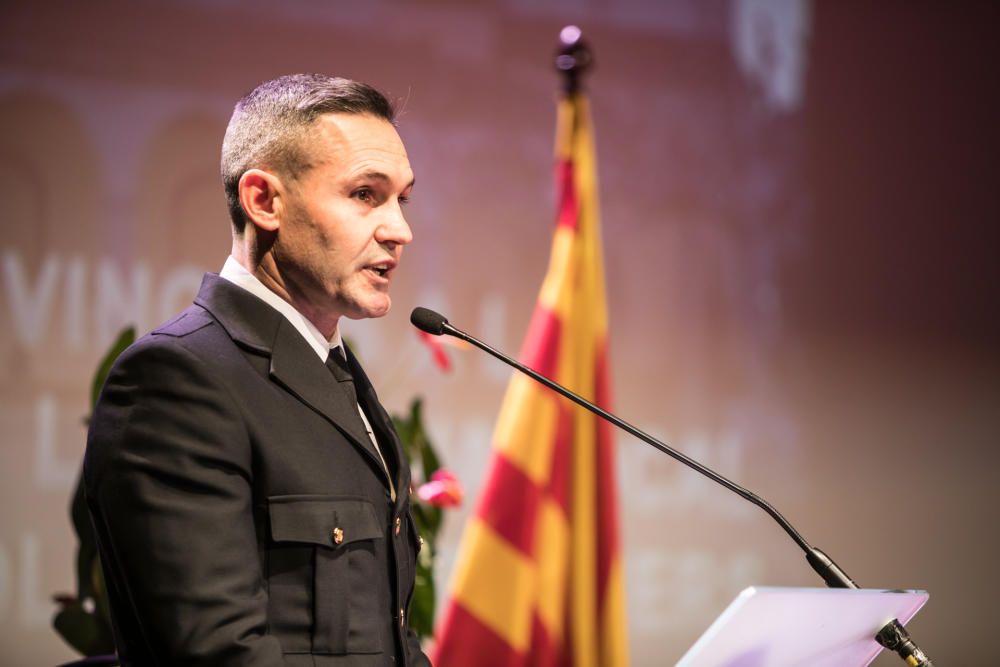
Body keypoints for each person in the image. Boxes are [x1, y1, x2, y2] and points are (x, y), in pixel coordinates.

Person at [84, 73, 430, 666]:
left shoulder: (335, 373)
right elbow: (219, 652)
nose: (400, 229)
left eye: (402, 198)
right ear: (264, 201)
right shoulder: (177, 381)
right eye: (365, 195)